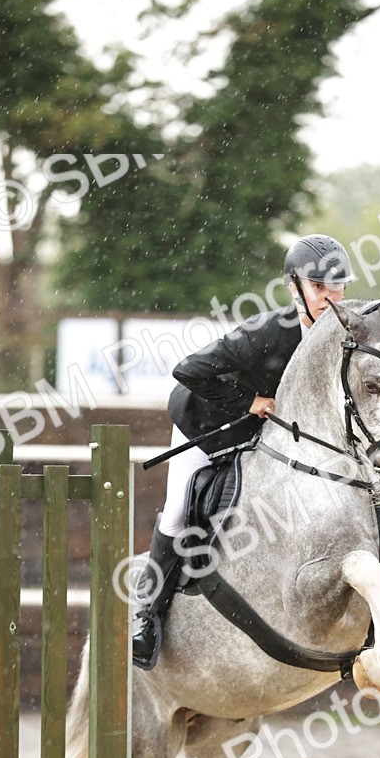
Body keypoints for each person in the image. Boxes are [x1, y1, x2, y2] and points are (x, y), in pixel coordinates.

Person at [133, 233, 356, 669]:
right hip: (205, 425)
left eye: (338, 286)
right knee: (178, 509)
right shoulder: (267, 332)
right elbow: (189, 371)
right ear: (295, 287)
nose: (332, 297)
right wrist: (250, 401)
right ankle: (146, 617)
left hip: (264, 436)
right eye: (319, 287)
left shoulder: (340, 331)